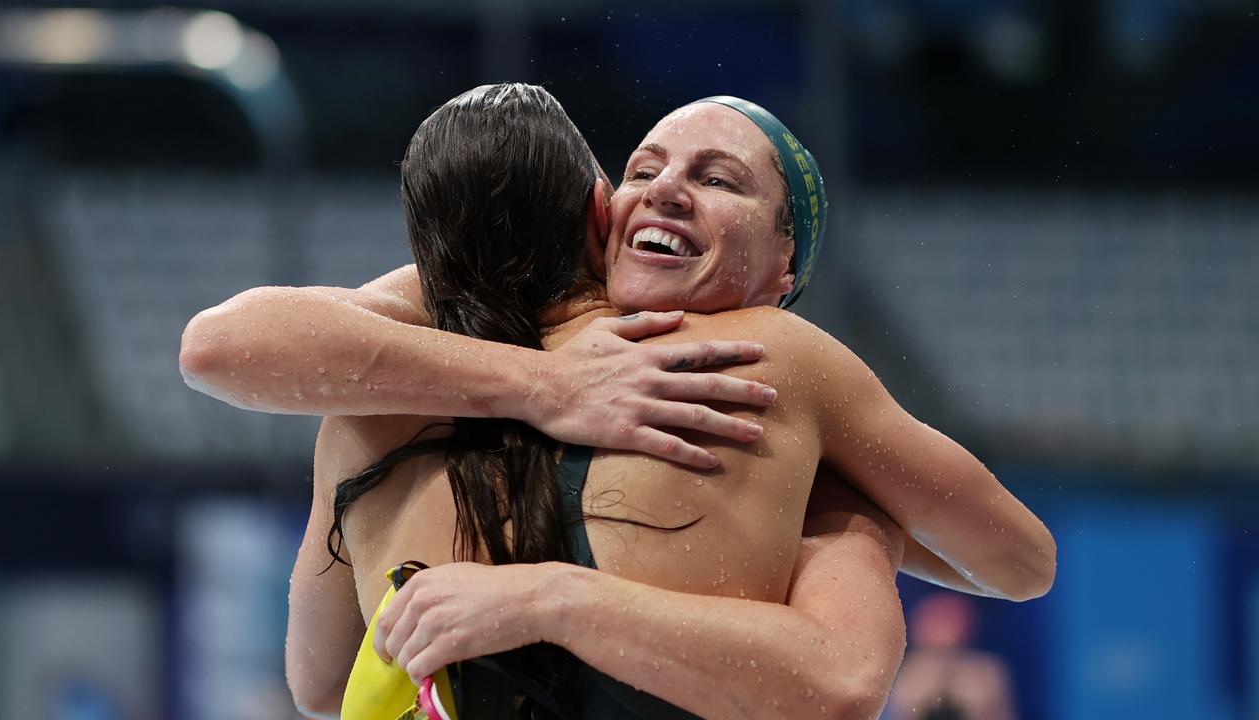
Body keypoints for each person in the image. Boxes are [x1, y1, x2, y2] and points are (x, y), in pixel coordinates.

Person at [181, 85, 1055, 717]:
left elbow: (325, 689)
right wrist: (547, 387)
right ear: (602, 213)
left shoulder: (775, 365)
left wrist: (845, 504)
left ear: (784, 268)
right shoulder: (453, 334)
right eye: (647, 167)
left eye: (719, 179)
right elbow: (219, 346)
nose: (669, 187)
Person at [885, 593, 1019, 720]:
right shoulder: (904, 672)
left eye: (946, 624)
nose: (943, 632)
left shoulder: (986, 673)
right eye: (937, 622)